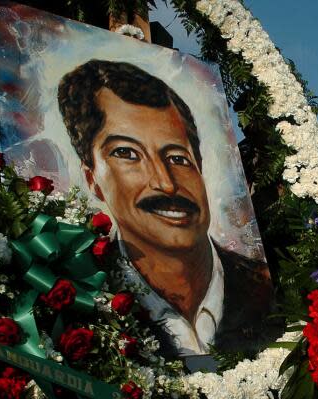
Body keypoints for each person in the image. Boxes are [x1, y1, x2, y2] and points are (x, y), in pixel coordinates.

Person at [58, 60, 272, 357]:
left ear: (200, 166)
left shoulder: (263, 290)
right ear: (92, 179)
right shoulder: (79, 301)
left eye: (177, 157)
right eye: (127, 154)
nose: (166, 184)